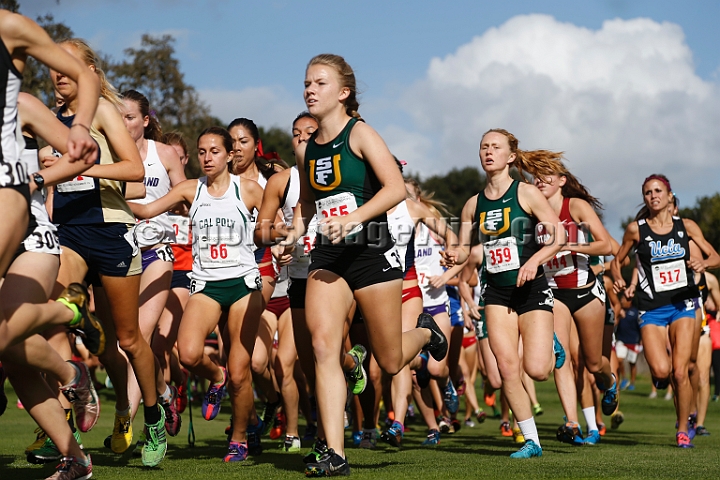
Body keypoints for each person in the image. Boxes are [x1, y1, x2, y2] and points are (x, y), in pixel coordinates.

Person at [279, 54, 449, 476]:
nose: (309, 90)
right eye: (306, 83)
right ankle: (334, 453)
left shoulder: (361, 134)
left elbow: (395, 190)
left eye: (319, 83)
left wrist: (355, 218)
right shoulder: (306, 149)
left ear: (343, 92)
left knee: (390, 361)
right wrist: (290, 236)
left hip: (372, 252)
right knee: (323, 347)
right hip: (329, 256)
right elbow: (307, 206)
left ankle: (425, 331)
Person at [50, 38, 169, 466]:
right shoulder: (49, 118)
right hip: (68, 232)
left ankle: (149, 416)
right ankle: (59, 418)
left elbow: (134, 170)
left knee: (128, 340)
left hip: (111, 230)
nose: (59, 73)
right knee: (57, 313)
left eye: (69, 66)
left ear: (90, 73)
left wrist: (83, 167)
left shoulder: (101, 109)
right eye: (53, 65)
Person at [130, 127, 265, 463]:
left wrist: (285, 236)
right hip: (206, 285)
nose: (207, 158)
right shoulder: (190, 189)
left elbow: (271, 226)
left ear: (230, 155)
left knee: (240, 369)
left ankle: (238, 438)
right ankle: (214, 377)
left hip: (243, 283)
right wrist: (107, 196)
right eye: (202, 152)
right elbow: (147, 211)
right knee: (189, 355)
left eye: (214, 151)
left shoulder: (248, 190)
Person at [454, 129, 566, 458]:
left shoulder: (527, 193)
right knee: (506, 370)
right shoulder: (473, 204)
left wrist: (534, 261)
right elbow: (463, 251)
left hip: (532, 290)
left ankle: (550, 344)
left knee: (538, 370)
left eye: (496, 147)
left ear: (511, 157)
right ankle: (532, 440)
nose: (489, 152)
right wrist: (453, 258)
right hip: (497, 294)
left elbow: (558, 235)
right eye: (484, 147)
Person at [611, 174, 720, 448]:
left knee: (681, 371)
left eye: (658, 190)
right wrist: (619, 278)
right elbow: (617, 261)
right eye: (648, 192)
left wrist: (703, 264)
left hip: (682, 305)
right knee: (661, 372)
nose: (653, 195)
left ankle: (683, 429)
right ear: (644, 198)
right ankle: (666, 388)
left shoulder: (687, 226)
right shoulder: (636, 230)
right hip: (651, 308)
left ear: (670, 196)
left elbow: (715, 256)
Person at [121, 89, 186, 441]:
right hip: (117, 252)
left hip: (156, 251)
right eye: (118, 117)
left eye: (129, 117)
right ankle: (162, 394)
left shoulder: (164, 154)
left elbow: (186, 197)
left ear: (145, 120)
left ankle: (126, 426)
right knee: (121, 344)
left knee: (139, 337)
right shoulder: (108, 155)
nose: (123, 124)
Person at [534, 166, 616, 445]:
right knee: (563, 358)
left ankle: (611, 382)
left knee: (593, 364)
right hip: (554, 293)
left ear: (561, 181)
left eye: (546, 176)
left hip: (586, 292)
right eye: (536, 177)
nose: (539, 181)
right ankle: (573, 423)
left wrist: (570, 247)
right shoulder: (532, 211)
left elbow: (606, 245)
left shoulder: (575, 206)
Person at [615, 295, 642, 391]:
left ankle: (632, 382)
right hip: (621, 340)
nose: (622, 301)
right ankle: (624, 378)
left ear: (629, 301)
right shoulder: (620, 310)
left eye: (623, 299)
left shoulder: (635, 313)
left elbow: (640, 327)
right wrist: (618, 315)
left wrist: (641, 341)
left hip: (633, 341)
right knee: (618, 360)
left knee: (632, 363)